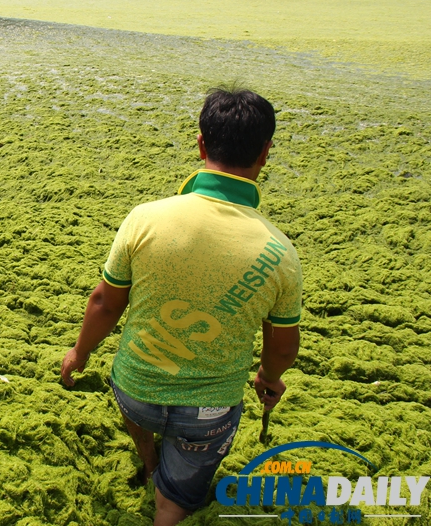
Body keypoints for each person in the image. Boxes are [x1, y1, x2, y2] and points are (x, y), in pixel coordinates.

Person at [61, 87, 302, 526]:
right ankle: (166, 493)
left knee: (135, 402)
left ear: (201, 143)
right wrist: (269, 377)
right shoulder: (280, 253)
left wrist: (80, 354)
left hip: (135, 392)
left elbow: (104, 302)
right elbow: (283, 349)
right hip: (207, 415)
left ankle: (148, 456)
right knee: (174, 502)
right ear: (265, 153)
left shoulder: (146, 217)